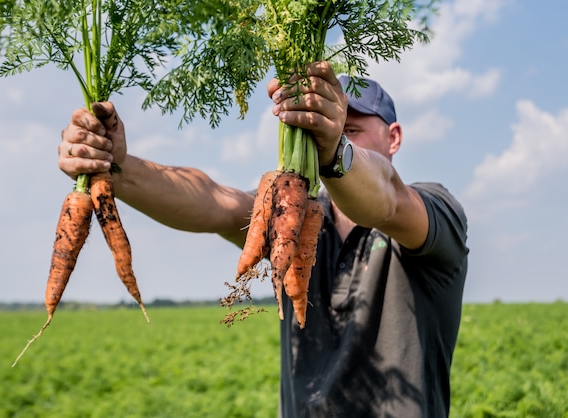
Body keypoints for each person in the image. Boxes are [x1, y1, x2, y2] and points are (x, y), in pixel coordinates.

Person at [58, 61, 468, 418]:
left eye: (352, 130)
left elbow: (389, 200)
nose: (333, 135)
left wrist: (334, 154)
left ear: (393, 138)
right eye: (330, 127)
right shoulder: (298, 213)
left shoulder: (433, 209)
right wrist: (119, 167)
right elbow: (216, 201)